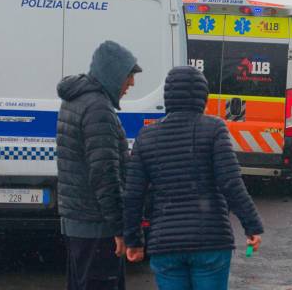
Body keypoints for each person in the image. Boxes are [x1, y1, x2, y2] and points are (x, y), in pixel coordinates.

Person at [123, 66, 264, 290]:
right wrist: (252, 225)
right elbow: (230, 181)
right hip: (211, 240)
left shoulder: (147, 136)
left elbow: (133, 194)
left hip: (165, 243)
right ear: (202, 96)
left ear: (168, 97)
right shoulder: (214, 129)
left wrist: (133, 240)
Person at [56, 40, 142, 290]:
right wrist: (118, 228)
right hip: (97, 225)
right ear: (113, 74)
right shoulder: (98, 108)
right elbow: (104, 174)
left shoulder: (75, 100)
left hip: (79, 221)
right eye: (129, 75)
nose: (131, 84)